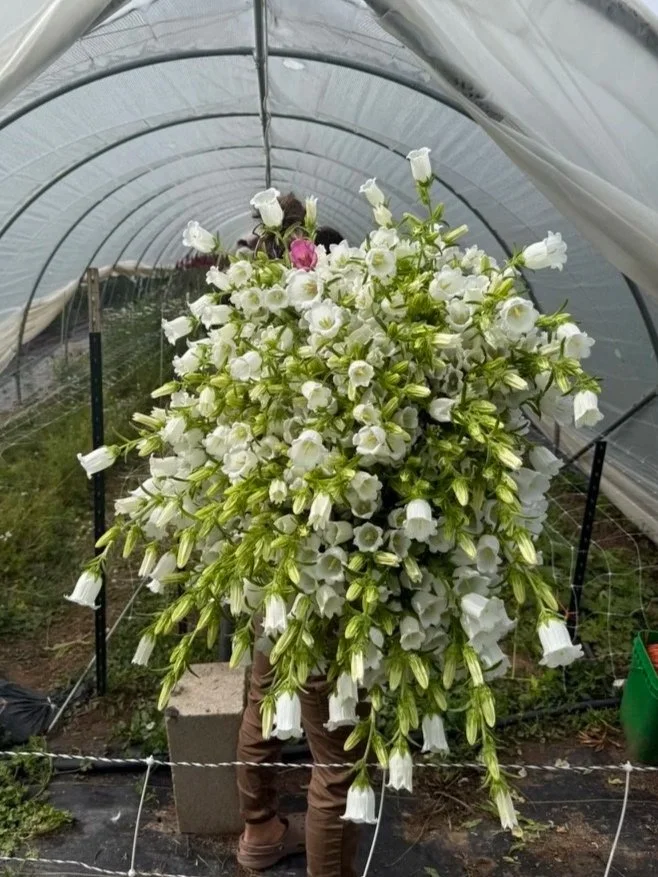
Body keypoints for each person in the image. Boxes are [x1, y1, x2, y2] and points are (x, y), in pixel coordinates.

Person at [234, 195, 363, 877]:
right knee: (335, 752)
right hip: (327, 573)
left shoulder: (241, 340)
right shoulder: (340, 349)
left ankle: (259, 833)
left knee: (262, 695)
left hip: (266, 562)